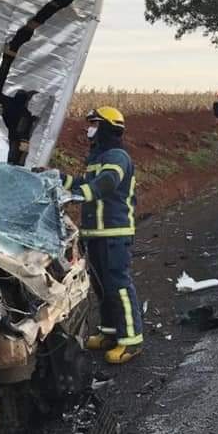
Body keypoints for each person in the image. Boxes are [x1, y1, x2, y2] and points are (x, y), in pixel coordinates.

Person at [60, 106, 142, 364]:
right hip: (94, 233)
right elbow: (83, 184)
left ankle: (131, 340)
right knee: (101, 287)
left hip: (114, 232)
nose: (89, 129)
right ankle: (109, 333)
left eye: (94, 123)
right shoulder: (96, 158)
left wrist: (77, 195)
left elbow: (105, 183)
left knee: (118, 285)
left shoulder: (117, 157)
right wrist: (57, 179)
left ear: (107, 127)